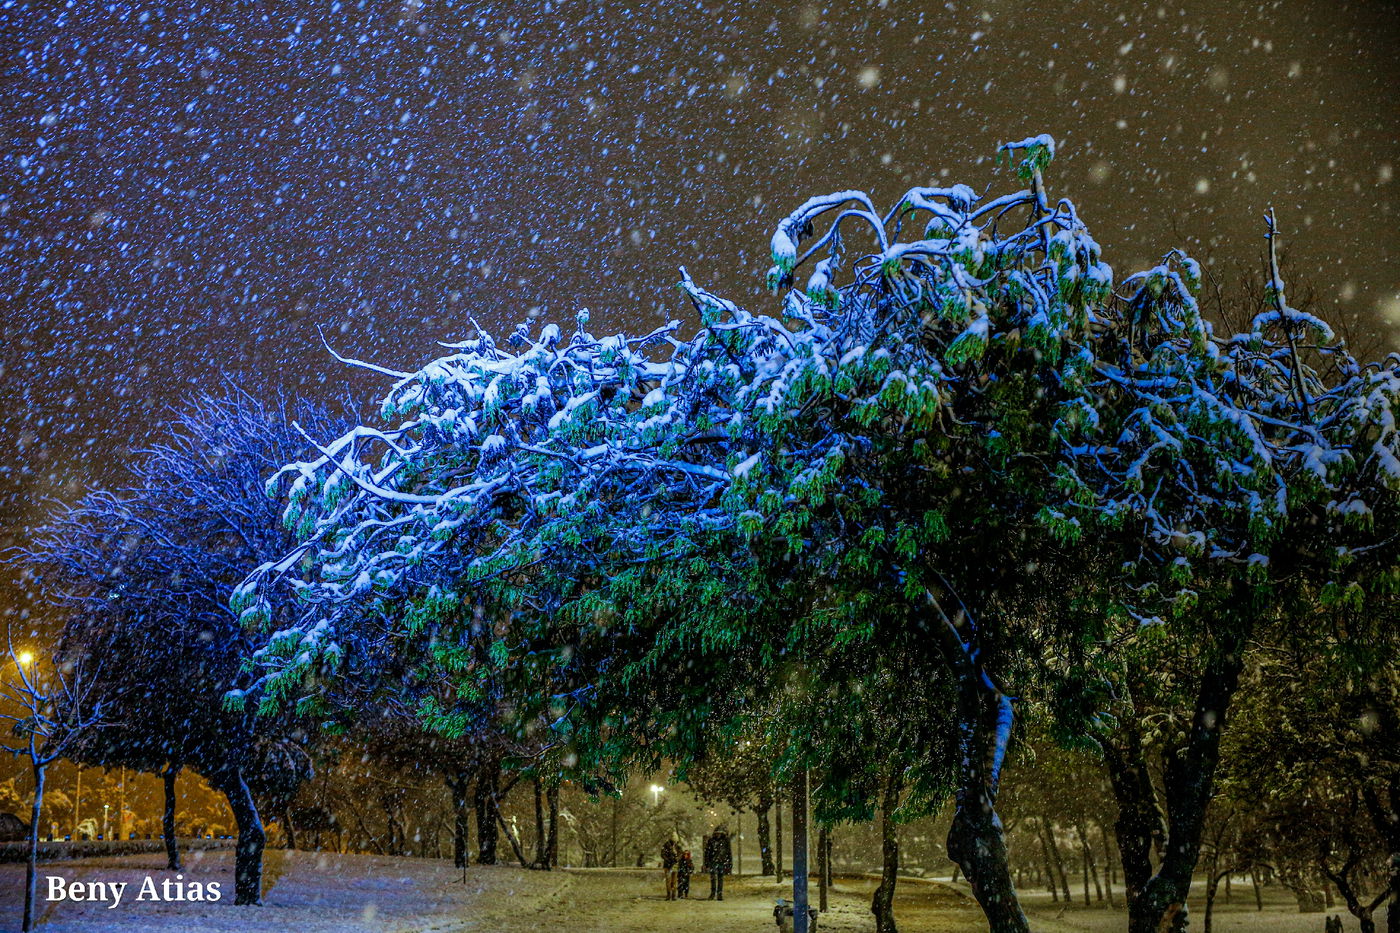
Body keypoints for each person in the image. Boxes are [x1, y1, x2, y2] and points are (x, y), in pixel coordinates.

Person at [703, 825, 733, 901]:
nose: (718, 835)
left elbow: (729, 853)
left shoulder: (725, 841)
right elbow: (707, 852)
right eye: (717, 833)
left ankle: (719, 894)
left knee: (720, 878)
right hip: (714, 861)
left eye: (719, 833)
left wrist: (729, 862)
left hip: (721, 862)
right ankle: (713, 893)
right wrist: (706, 863)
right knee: (713, 878)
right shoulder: (712, 841)